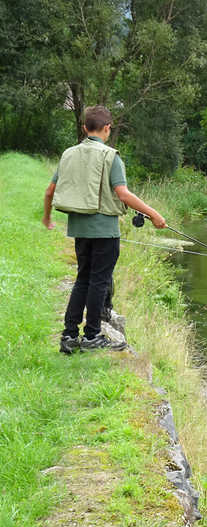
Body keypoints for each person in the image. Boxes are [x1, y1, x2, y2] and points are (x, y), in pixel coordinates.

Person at [42, 105, 166, 354]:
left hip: (79, 228)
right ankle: (91, 336)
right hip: (105, 230)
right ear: (107, 128)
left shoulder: (68, 154)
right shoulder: (111, 156)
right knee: (99, 281)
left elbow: (50, 191)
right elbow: (123, 193)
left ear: (84, 127)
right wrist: (154, 214)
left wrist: (47, 218)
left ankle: (68, 336)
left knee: (83, 279)